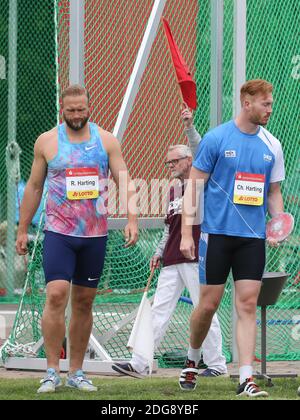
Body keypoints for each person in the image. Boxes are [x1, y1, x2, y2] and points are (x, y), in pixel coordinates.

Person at [15, 84, 138, 393]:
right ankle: (51, 370)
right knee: (56, 294)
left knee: (84, 302)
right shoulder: (47, 141)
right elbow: (33, 186)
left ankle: (77, 371)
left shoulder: (106, 140)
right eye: (71, 111)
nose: (76, 115)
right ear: (63, 110)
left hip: (94, 236)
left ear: (88, 107)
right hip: (59, 233)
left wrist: (132, 218)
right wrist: (22, 227)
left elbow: (124, 179)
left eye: (81, 110)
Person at [178, 79, 286, 397]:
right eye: (265, 104)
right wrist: (186, 233)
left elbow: (274, 192)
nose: (269, 109)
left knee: (247, 305)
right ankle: (192, 359)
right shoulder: (216, 139)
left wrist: (277, 222)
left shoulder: (272, 146)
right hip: (216, 237)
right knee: (208, 305)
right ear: (246, 102)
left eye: (271, 104)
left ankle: (245, 378)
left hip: (252, 238)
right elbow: (194, 188)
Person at [112, 105, 227, 378]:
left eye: (175, 161)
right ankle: (140, 363)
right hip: (172, 259)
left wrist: (188, 127)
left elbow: (200, 150)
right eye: (168, 162)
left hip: (198, 257)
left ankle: (217, 364)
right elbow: (168, 227)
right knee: (159, 310)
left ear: (189, 161)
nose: (170, 165)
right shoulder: (174, 189)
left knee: (203, 309)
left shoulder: (204, 182)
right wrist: (158, 251)